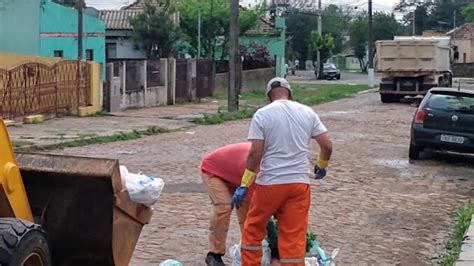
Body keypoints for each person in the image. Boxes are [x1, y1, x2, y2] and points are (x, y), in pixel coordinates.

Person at [231, 77, 333, 265]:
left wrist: (244, 184)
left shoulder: (262, 114)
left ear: (269, 96)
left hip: (270, 184)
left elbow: (255, 154)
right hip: (299, 185)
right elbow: (327, 145)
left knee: (253, 230)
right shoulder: (308, 112)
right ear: (290, 93)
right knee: (293, 237)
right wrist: (321, 165)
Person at [200, 142, 259, 266]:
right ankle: (214, 254)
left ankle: (248, 251)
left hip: (238, 177)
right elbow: (260, 209)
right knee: (224, 207)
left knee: (247, 215)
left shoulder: (271, 165)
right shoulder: (256, 166)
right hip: (214, 171)